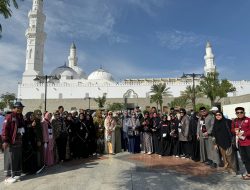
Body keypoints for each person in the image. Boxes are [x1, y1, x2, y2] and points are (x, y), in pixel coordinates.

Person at [2, 102, 25, 183]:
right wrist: (5, 140)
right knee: (9, 158)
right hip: (10, 141)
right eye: (18, 108)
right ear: (14, 108)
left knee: (17, 158)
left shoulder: (21, 116)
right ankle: (7, 177)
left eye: (21, 108)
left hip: (19, 140)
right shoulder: (10, 116)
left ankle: (16, 174)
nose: (20, 109)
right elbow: (5, 129)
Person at [231, 107, 250, 180]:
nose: (239, 114)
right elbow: (232, 129)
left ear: (244, 112)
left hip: (248, 142)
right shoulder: (235, 121)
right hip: (240, 143)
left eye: (241, 112)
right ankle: (249, 173)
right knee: (245, 159)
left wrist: (244, 134)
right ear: (236, 113)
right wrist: (235, 131)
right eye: (238, 112)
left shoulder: (248, 120)